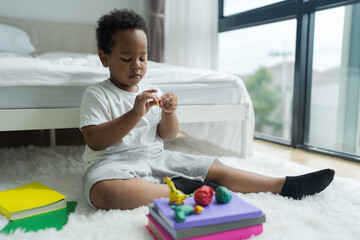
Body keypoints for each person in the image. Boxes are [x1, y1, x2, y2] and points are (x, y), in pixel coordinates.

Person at [80, 9, 335, 210]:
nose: (136, 65)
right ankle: (188, 190)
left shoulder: (152, 91)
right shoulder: (97, 94)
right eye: (126, 59)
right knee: (104, 192)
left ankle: (282, 185)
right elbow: (95, 141)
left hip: (155, 158)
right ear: (105, 58)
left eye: (143, 58)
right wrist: (134, 114)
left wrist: (169, 114)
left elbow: (168, 135)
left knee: (214, 166)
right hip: (112, 164)